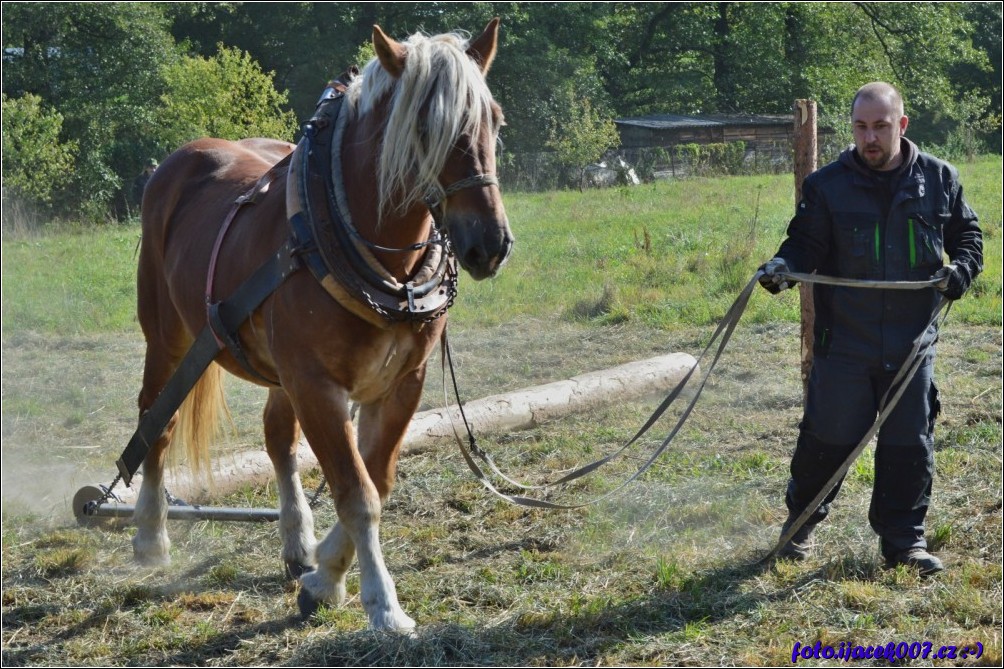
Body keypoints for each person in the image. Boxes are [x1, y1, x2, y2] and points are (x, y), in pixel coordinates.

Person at [758, 81, 983, 575]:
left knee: (909, 443)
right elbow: (804, 246)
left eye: (881, 126)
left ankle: (904, 542)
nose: (871, 137)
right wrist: (781, 267)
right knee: (826, 440)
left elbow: (967, 236)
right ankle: (799, 527)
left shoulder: (939, 179)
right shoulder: (826, 186)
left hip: (911, 344)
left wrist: (960, 270)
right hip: (846, 345)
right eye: (862, 127)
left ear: (901, 125)